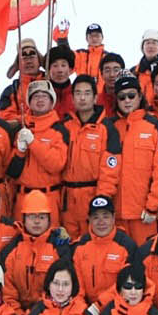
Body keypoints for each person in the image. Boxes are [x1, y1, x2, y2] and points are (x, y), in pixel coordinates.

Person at [106, 72, 158, 240]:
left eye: (131, 95)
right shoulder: (110, 127)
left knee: (145, 255)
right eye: (122, 97)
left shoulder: (154, 126)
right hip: (116, 214)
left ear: (140, 96)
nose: (127, 100)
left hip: (143, 214)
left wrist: (153, 206)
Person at [60, 75, 118, 241]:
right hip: (67, 200)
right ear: (72, 98)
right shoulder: (64, 127)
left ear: (95, 97)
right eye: (78, 93)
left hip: (92, 196)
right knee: (68, 245)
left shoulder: (107, 129)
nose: (82, 98)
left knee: (92, 244)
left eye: (87, 93)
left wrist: (101, 201)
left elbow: (110, 171)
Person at [8, 80, 71, 230]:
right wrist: (20, 151)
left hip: (49, 197)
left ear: (52, 101)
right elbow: (12, 171)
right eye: (36, 96)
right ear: (29, 101)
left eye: (44, 96)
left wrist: (33, 143)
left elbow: (56, 164)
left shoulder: (59, 130)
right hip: (23, 197)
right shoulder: (19, 128)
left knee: (50, 241)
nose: (40, 100)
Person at [0, 189, 69, 313]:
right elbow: (7, 292)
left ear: (49, 219)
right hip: (14, 314)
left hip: (49, 313)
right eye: (31, 216)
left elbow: (63, 289)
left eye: (41, 217)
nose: (37, 221)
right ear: (24, 219)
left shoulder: (59, 248)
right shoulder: (11, 250)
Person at [70, 194, 138, 311]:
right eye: (96, 217)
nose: (101, 222)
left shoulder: (127, 246)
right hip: (85, 308)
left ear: (113, 217)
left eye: (105, 216)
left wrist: (98, 307)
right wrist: (82, 308)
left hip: (117, 308)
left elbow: (126, 285)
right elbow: (77, 284)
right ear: (89, 219)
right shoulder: (80, 246)